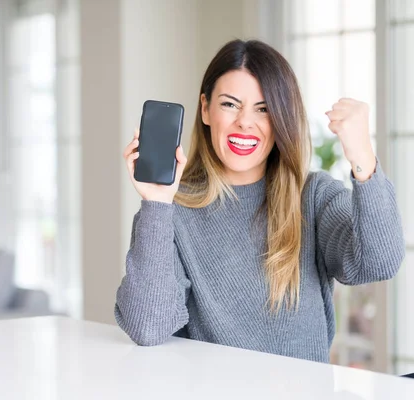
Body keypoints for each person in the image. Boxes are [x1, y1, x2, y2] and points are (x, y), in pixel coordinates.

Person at [115, 39, 405, 363]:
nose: (245, 122)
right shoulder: (172, 211)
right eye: (229, 104)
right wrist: (156, 204)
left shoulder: (312, 197)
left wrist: (362, 156)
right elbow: (147, 327)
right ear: (205, 109)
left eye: (263, 109)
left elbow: (378, 263)